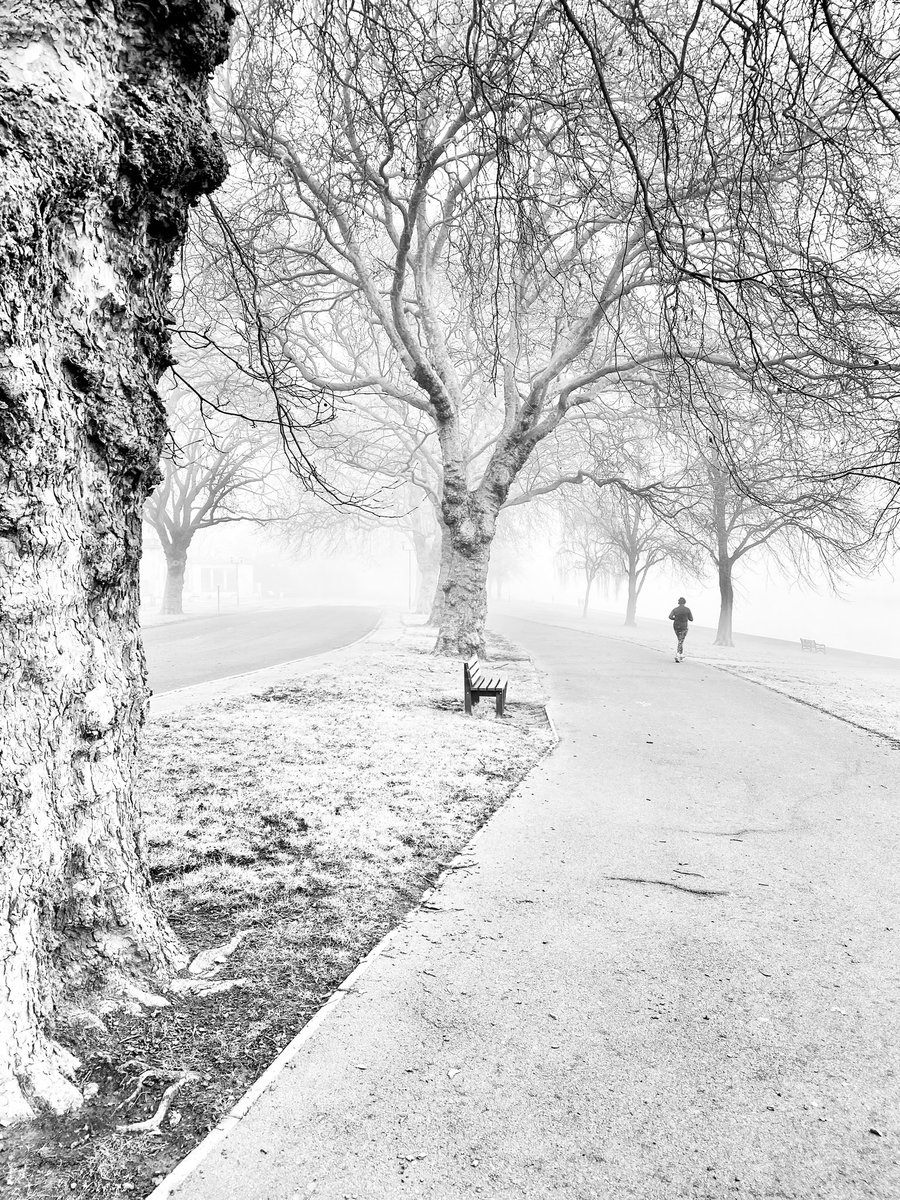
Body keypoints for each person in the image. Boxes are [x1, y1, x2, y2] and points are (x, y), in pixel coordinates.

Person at [668, 596, 693, 662]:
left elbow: (670, 616)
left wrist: (675, 619)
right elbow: (691, 619)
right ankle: (677, 655)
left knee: (680, 640)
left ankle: (681, 655)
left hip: (676, 626)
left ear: (678, 602)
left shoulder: (675, 609)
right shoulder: (687, 609)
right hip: (684, 627)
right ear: (684, 602)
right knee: (680, 641)